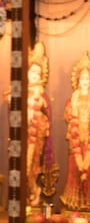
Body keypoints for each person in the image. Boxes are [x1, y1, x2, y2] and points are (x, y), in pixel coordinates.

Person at [60, 51, 90, 210]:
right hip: (75, 138)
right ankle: (73, 203)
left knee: (88, 170)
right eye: (82, 78)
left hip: (89, 138)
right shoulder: (74, 96)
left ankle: (88, 202)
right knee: (74, 169)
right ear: (78, 80)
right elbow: (72, 117)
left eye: (87, 78)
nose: (85, 81)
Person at [26, 42, 58, 208]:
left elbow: (47, 117)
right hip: (21, 137)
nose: (34, 75)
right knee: (21, 168)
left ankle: (33, 192)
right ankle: (28, 194)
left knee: (31, 167)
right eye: (32, 71)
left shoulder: (41, 95)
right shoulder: (19, 91)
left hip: (35, 137)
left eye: (38, 73)